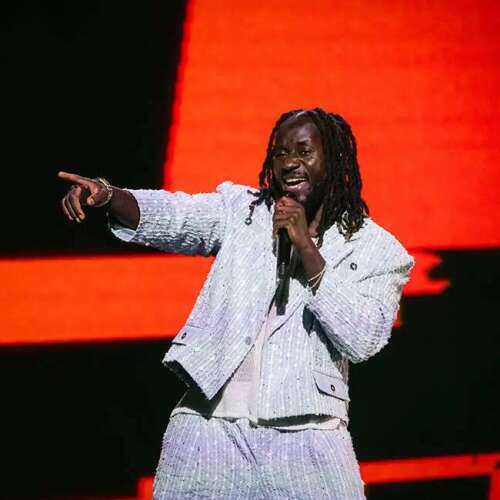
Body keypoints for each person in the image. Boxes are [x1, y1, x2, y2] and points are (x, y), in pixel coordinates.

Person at [59, 108, 415, 499]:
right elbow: (176, 216)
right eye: (280, 153)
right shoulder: (243, 212)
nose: (290, 163)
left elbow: (363, 338)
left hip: (309, 438)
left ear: (334, 159)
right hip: (208, 430)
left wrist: (307, 250)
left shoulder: (377, 249)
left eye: (304, 151)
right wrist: (110, 196)